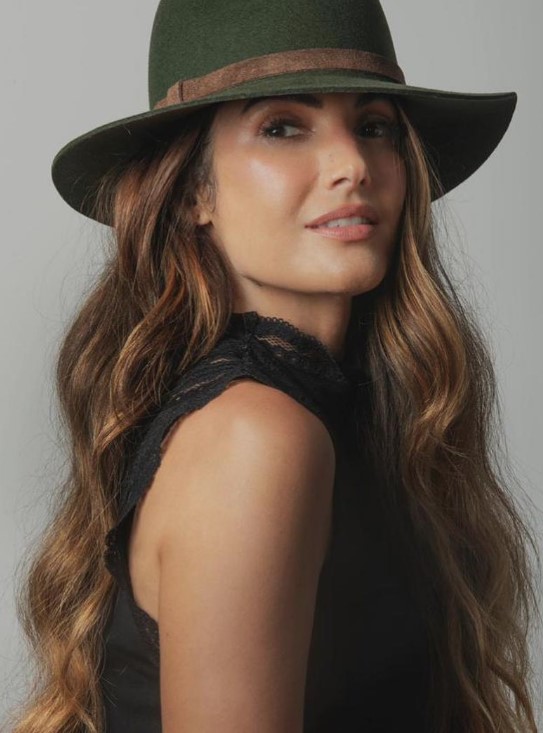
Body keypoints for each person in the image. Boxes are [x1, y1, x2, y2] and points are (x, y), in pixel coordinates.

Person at [7, 0, 541, 731]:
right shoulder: (255, 438)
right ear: (194, 192)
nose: (352, 165)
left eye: (374, 126)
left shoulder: (340, 419)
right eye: (282, 127)